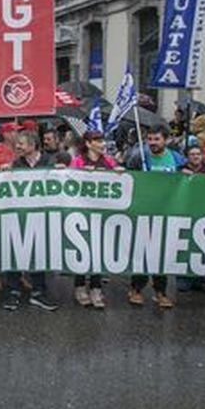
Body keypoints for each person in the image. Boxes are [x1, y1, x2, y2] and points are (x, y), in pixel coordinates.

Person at [1, 131, 58, 311]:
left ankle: (38, 293)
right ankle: (13, 292)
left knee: (38, 253)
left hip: (41, 216)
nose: (17, 147)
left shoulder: (49, 161)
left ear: (33, 145)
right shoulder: (16, 163)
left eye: (21, 144)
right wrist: (5, 174)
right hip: (19, 215)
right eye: (16, 143)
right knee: (15, 250)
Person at [125, 126, 180, 308]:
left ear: (165, 140)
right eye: (149, 139)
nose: (152, 143)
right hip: (144, 212)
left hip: (167, 212)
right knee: (142, 251)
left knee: (162, 254)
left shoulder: (176, 158)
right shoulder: (139, 157)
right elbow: (128, 176)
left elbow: (188, 175)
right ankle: (136, 288)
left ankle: (160, 291)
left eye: (156, 139)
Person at [67, 130, 122, 308]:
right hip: (83, 212)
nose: (101, 143)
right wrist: (81, 172)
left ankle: (96, 288)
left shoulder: (109, 161)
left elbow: (119, 180)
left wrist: (120, 173)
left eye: (102, 140)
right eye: (97, 140)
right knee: (81, 248)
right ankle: (80, 286)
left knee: (99, 250)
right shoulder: (78, 161)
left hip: (102, 213)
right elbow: (69, 180)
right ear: (88, 143)